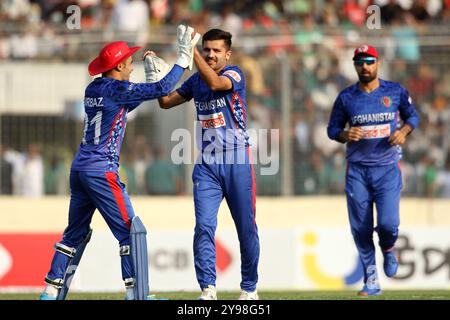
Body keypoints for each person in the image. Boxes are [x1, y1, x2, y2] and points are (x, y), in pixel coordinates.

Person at [39, 25, 200, 300]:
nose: (131, 67)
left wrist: (149, 82)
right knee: (130, 232)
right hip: (102, 171)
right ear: (119, 65)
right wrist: (183, 60)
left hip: (80, 170)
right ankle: (136, 293)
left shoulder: (95, 88)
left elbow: (126, 104)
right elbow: (161, 88)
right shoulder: (118, 88)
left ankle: (51, 290)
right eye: (129, 63)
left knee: (74, 234)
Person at [149, 29, 260, 300]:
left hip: (236, 158)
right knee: (204, 226)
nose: (210, 54)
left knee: (245, 227)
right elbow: (165, 102)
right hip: (207, 163)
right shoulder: (196, 81)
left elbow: (215, 84)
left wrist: (192, 52)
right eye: (206, 49)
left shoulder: (234, 74)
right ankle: (208, 288)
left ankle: (249, 288)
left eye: (216, 50)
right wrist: (155, 77)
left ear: (227, 54)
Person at [327, 45, 419, 296]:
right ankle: (371, 281)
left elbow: (413, 118)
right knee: (361, 228)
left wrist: (402, 132)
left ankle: (388, 247)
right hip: (357, 171)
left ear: (377, 63)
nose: (364, 66)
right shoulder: (346, 98)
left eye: (369, 61)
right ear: (355, 65)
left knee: (388, 224)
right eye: (359, 62)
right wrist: (346, 134)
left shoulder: (395, 91)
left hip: (387, 169)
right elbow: (332, 130)